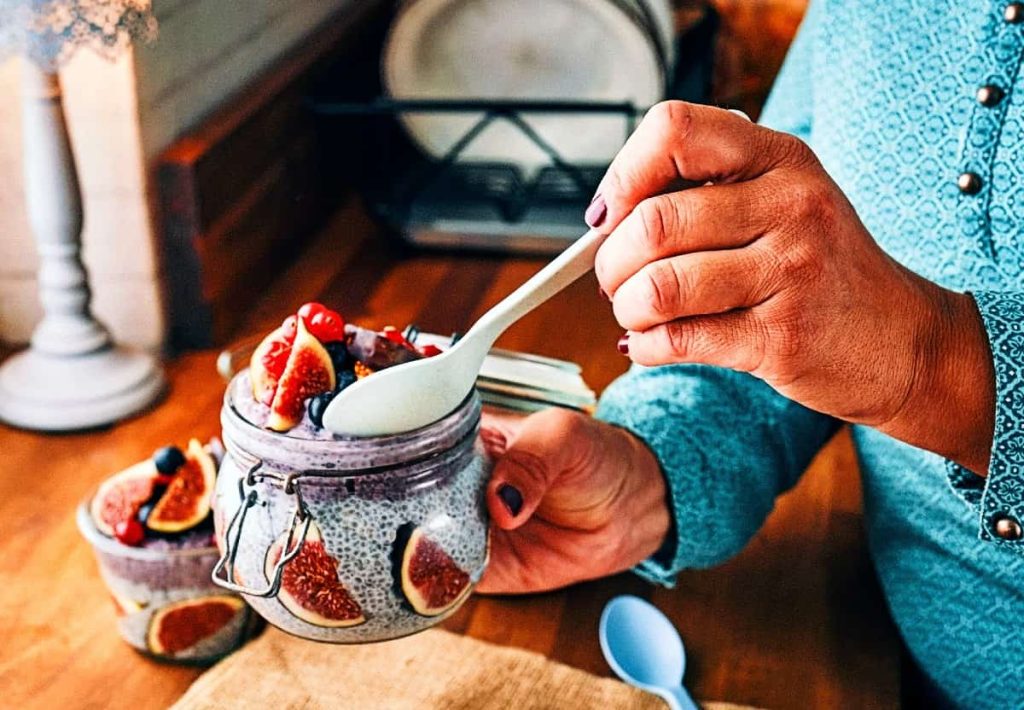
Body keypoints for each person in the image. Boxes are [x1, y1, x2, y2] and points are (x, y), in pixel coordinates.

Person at [476, 1, 1024, 707]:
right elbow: (792, 299)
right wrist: (647, 474)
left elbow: (876, 331)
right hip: (885, 666)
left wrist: (930, 362)